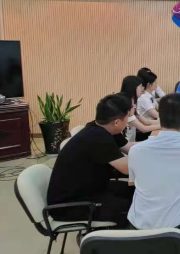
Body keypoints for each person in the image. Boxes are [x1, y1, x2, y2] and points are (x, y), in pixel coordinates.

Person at [128, 93, 180, 247]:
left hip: (136, 234)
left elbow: (132, 182)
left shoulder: (136, 150)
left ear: (160, 118)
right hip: (174, 236)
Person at [47, 94, 135, 228]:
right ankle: (111, 237)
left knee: (134, 191)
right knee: (130, 206)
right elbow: (126, 168)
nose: (127, 122)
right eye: (127, 118)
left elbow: (129, 148)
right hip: (68, 205)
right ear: (117, 122)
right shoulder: (97, 137)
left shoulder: (102, 128)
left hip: (91, 188)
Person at [120, 75, 160, 142]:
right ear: (133, 88)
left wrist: (165, 123)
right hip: (126, 143)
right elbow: (143, 129)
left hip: (132, 141)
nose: (143, 89)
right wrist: (164, 125)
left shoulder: (133, 102)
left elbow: (146, 121)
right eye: (140, 86)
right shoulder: (127, 105)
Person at [136, 71, 160, 141]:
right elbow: (155, 114)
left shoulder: (150, 95)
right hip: (144, 131)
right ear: (149, 84)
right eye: (155, 82)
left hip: (151, 124)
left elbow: (158, 108)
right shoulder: (144, 98)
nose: (156, 84)